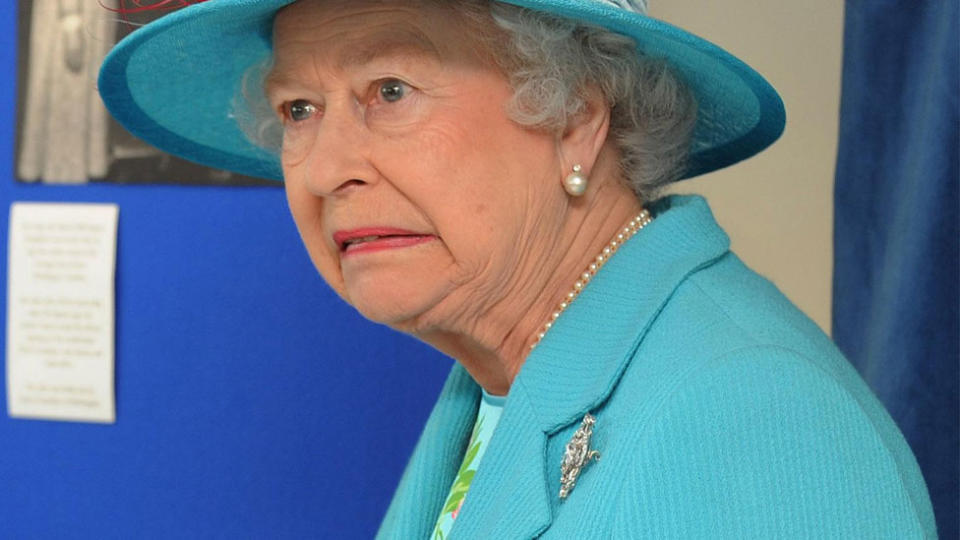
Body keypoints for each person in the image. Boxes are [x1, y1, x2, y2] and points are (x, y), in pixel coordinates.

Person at [98, 0, 936, 537]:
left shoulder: (755, 417)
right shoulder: (503, 377)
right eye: (300, 110)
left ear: (575, 118)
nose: (324, 171)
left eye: (389, 91)